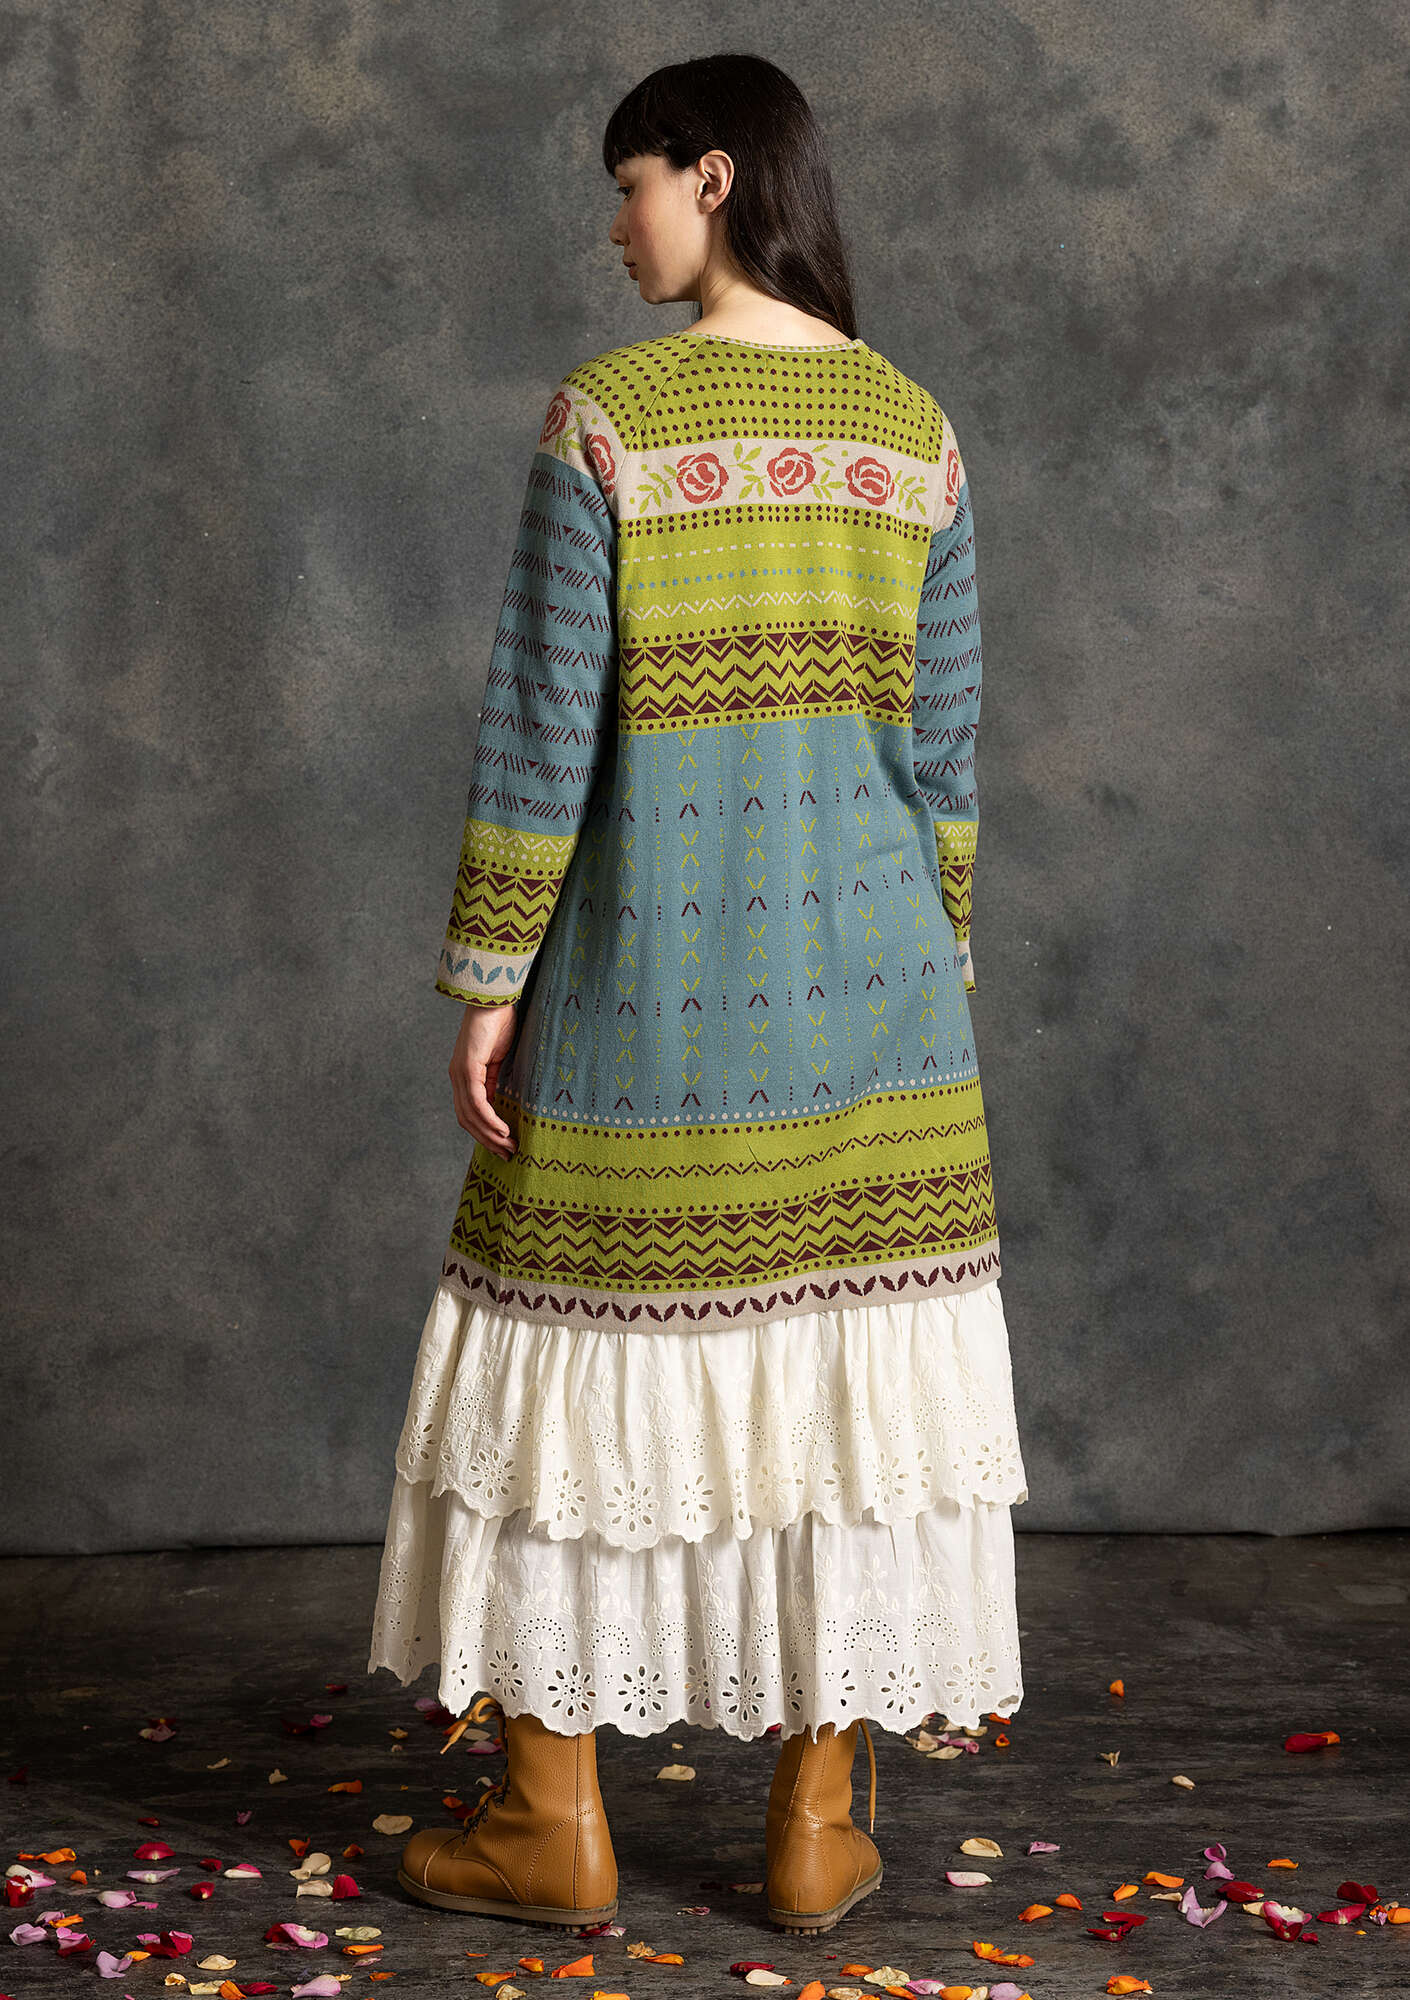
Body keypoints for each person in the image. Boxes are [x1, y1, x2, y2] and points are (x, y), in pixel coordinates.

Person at [367, 51, 1029, 1937]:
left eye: (631, 184)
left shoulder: (611, 420)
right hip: (882, 1013)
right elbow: (945, 759)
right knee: (843, 1402)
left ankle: (550, 1828)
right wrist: (929, 965)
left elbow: (539, 734)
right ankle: (813, 1835)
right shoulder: (914, 431)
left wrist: (488, 978)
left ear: (716, 178)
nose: (615, 224)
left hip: (646, 1001)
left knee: (574, 1402)